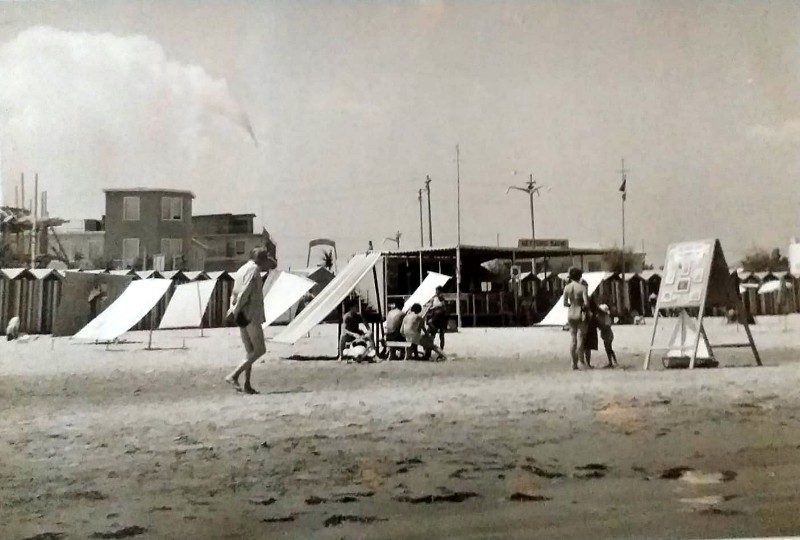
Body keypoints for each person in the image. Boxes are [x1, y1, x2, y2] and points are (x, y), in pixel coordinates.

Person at [225, 247, 276, 395]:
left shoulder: (241, 270)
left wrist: (232, 309)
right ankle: (234, 375)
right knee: (260, 350)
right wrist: (235, 310)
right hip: (250, 314)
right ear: (261, 259)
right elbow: (245, 292)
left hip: (241, 315)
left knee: (250, 352)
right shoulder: (254, 271)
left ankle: (247, 384)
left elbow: (234, 293)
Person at [563, 267, 590, 370]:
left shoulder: (567, 288)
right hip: (579, 313)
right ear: (579, 276)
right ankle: (580, 361)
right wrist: (582, 307)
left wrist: (571, 305)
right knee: (580, 338)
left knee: (573, 339)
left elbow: (565, 303)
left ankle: (573, 363)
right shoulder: (582, 288)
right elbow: (586, 303)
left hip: (571, 313)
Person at [597, 304, 618, 368]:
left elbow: (607, 326)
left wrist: (600, 326)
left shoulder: (606, 317)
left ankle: (613, 361)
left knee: (609, 348)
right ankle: (612, 361)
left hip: (608, 335)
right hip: (605, 335)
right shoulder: (601, 317)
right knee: (608, 348)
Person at [583, 296, 599, 369]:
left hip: (582, 324)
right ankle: (587, 363)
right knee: (588, 346)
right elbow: (596, 311)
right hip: (590, 325)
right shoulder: (590, 300)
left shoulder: (581, 301)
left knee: (583, 344)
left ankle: (581, 362)